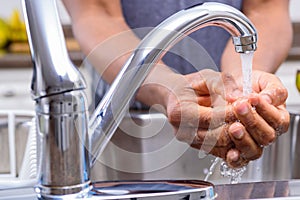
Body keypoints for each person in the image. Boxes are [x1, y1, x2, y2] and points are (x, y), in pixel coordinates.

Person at [61, 0, 292, 168]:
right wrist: (167, 86)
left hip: (227, 112)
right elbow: (97, 14)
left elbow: (266, 9)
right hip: (125, 129)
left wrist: (240, 87)